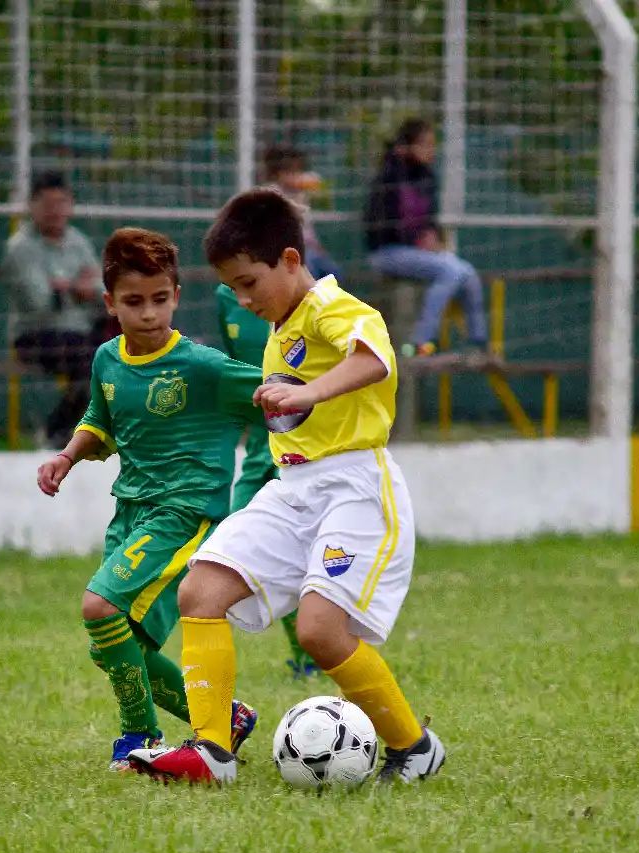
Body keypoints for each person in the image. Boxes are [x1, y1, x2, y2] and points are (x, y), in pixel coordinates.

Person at [128, 188, 446, 786]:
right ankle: (211, 753)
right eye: (232, 288)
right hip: (292, 486)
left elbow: (375, 358)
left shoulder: (332, 306)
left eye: (249, 283)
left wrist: (308, 392)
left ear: (292, 260)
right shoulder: (282, 329)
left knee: (320, 634)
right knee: (201, 590)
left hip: (354, 485)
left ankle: (414, 747)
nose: (242, 300)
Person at [36, 226, 261, 772]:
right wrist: (67, 455)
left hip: (184, 513)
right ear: (110, 304)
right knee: (114, 645)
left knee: (99, 608)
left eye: (161, 299)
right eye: (134, 302)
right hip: (132, 511)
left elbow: (272, 393)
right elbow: (101, 421)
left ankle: (140, 733)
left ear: (177, 297)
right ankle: (225, 719)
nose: (149, 314)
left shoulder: (202, 366)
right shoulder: (108, 360)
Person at [216, 283, 321, 680]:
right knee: (228, 550)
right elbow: (234, 369)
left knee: (306, 557)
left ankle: (312, 653)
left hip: (301, 455)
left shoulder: (314, 299)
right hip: (260, 451)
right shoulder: (226, 297)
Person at [363, 118, 489, 360]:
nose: (432, 149)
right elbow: (381, 225)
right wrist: (417, 239)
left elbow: (429, 220)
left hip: (418, 252)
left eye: (433, 144)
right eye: (425, 144)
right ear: (407, 147)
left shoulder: (428, 177)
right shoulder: (389, 176)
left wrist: (434, 238)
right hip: (387, 251)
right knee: (451, 271)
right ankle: (420, 342)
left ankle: (478, 344)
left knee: (468, 273)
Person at [3, 170, 105, 446]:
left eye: (62, 203)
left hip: (82, 330)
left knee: (127, 352)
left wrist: (70, 288)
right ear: (32, 206)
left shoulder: (78, 241)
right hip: (38, 333)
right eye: (47, 205)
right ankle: (55, 433)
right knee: (95, 363)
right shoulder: (21, 248)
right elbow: (39, 301)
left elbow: (102, 290)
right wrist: (78, 289)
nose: (55, 211)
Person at [263, 144, 342, 281]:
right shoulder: (273, 193)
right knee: (309, 271)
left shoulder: (301, 193)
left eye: (298, 171)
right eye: (289, 172)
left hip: (309, 248)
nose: (296, 176)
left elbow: (315, 181)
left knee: (333, 273)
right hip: (288, 251)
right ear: (276, 174)